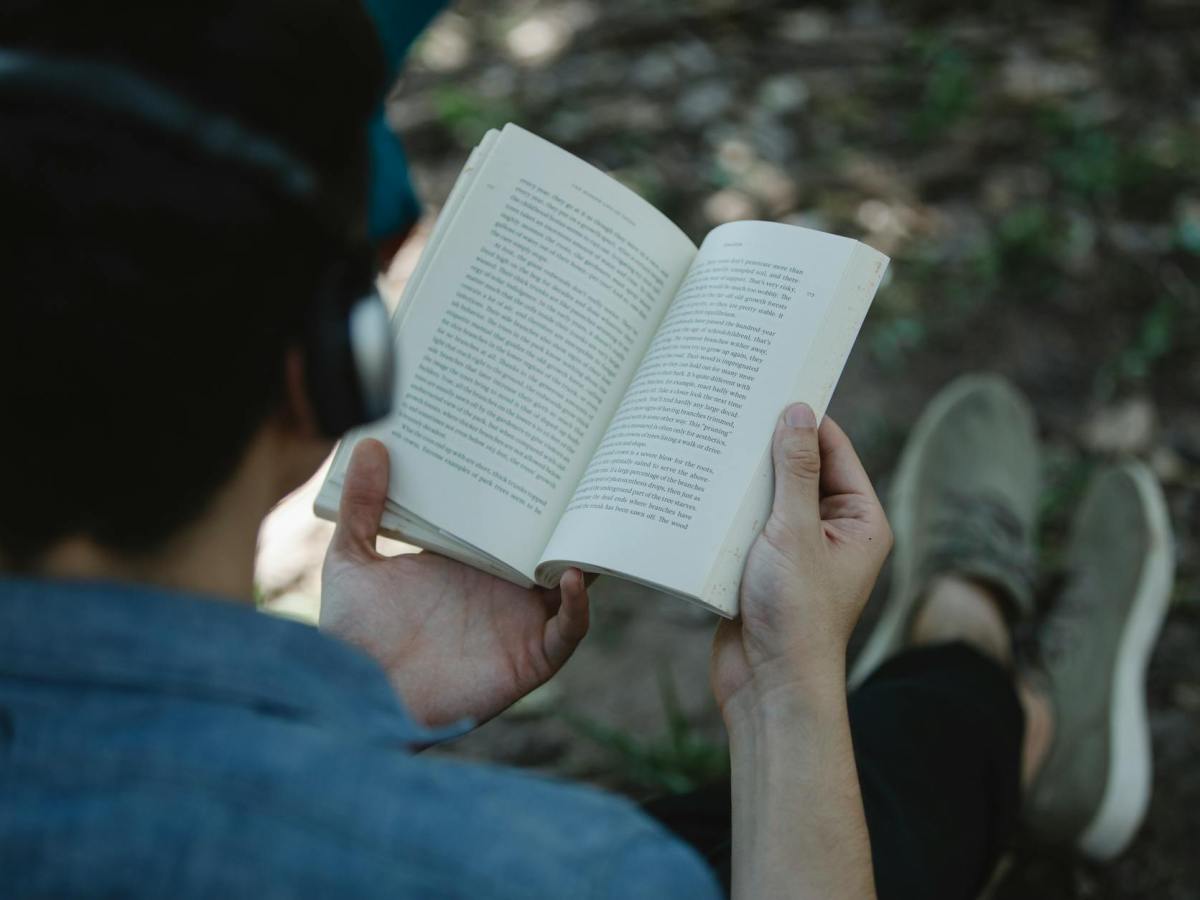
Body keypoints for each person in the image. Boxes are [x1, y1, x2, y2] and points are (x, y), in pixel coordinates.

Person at [0, 4, 1174, 899]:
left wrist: (352, 705)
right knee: (889, 782)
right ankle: (1006, 693)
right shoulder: (561, 872)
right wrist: (784, 688)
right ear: (331, 368)